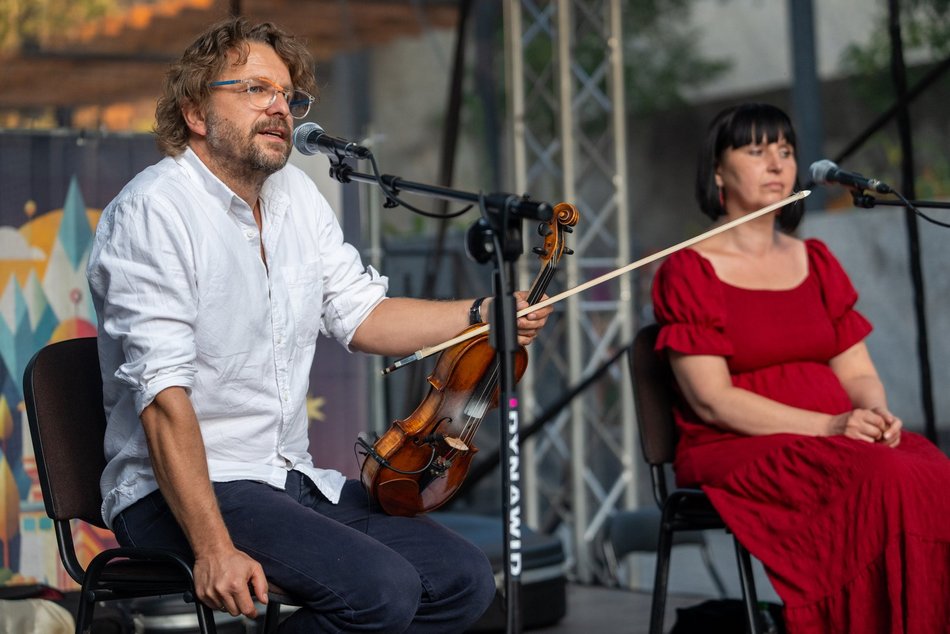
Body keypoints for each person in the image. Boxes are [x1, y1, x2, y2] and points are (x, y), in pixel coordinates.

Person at [86, 17, 552, 633]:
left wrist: (481, 315)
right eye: (256, 89)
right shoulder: (153, 211)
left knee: (462, 580)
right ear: (195, 112)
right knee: (381, 591)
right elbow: (163, 398)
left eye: (288, 94)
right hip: (179, 494)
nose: (280, 107)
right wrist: (214, 547)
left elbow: (363, 315)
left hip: (286, 478)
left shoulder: (297, 197)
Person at [651, 102, 950, 632]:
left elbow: (857, 372)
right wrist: (831, 426)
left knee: (933, 473)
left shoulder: (816, 260)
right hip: (736, 443)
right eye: (756, 151)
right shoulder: (688, 269)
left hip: (838, 436)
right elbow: (712, 400)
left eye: (786, 151)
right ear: (718, 172)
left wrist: (875, 415)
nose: (776, 164)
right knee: (885, 479)